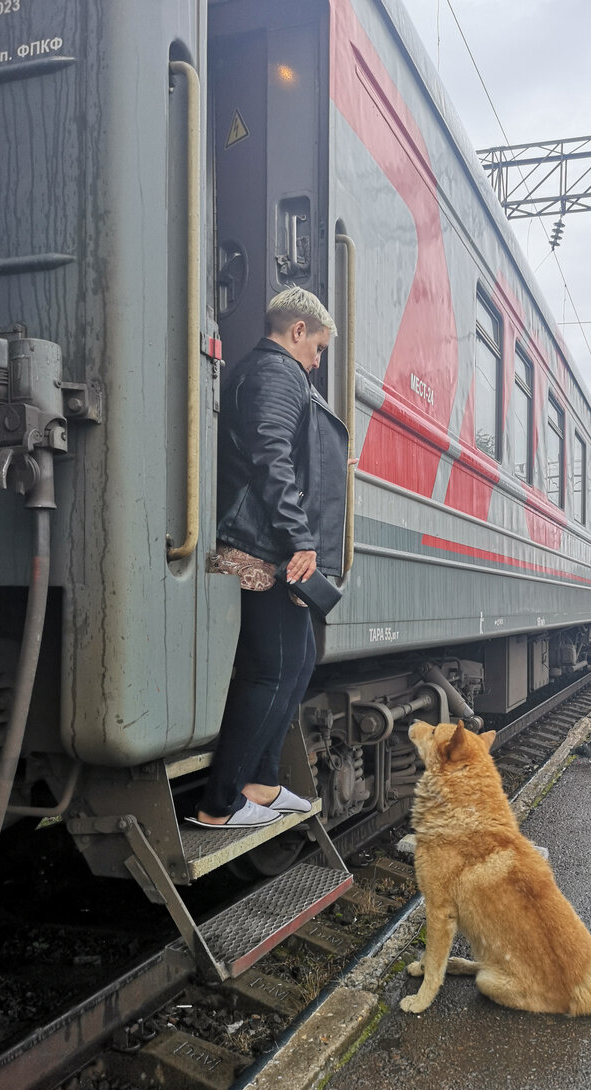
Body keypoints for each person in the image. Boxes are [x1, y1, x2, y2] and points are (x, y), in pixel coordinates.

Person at [189, 288, 349, 828]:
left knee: (296, 662)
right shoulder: (277, 373)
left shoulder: (272, 373)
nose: (319, 361)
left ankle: (261, 781)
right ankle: (220, 803)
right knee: (271, 669)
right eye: (319, 348)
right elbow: (272, 461)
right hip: (260, 546)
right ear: (298, 330)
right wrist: (301, 540)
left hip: (269, 543)